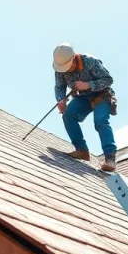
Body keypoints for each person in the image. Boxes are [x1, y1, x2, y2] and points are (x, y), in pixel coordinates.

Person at [52, 43, 117, 172]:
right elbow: (60, 86)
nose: (65, 71)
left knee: (100, 121)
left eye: (67, 67)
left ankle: (110, 158)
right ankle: (81, 150)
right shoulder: (60, 69)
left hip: (101, 95)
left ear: (73, 59)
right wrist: (61, 100)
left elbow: (108, 79)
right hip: (83, 98)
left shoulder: (90, 62)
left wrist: (88, 85)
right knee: (68, 116)